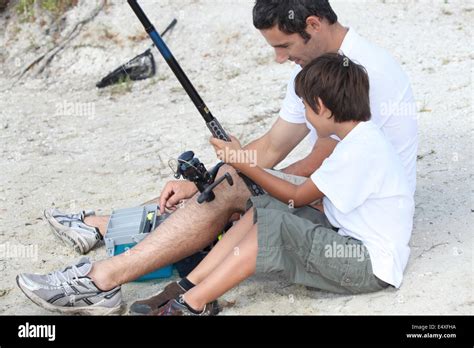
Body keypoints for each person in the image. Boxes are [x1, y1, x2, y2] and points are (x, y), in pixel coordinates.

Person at [16, 0, 418, 315]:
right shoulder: (322, 71)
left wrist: (239, 173)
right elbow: (274, 148)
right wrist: (208, 177)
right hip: (340, 204)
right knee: (229, 178)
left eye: (283, 46)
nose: (280, 58)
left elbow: (310, 168)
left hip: (347, 218)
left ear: (312, 24)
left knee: (234, 185)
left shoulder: (355, 74)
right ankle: (111, 229)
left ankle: (104, 279)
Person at [152, 53, 414, 315]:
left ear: (321, 107)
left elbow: (297, 196)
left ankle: (194, 304)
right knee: (268, 207)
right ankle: (191, 284)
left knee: (276, 224)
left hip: (368, 266)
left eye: (306, 108)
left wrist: (243, 162)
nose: (306, 116)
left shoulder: (357, 149)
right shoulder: (363, 139)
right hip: (351, 244)